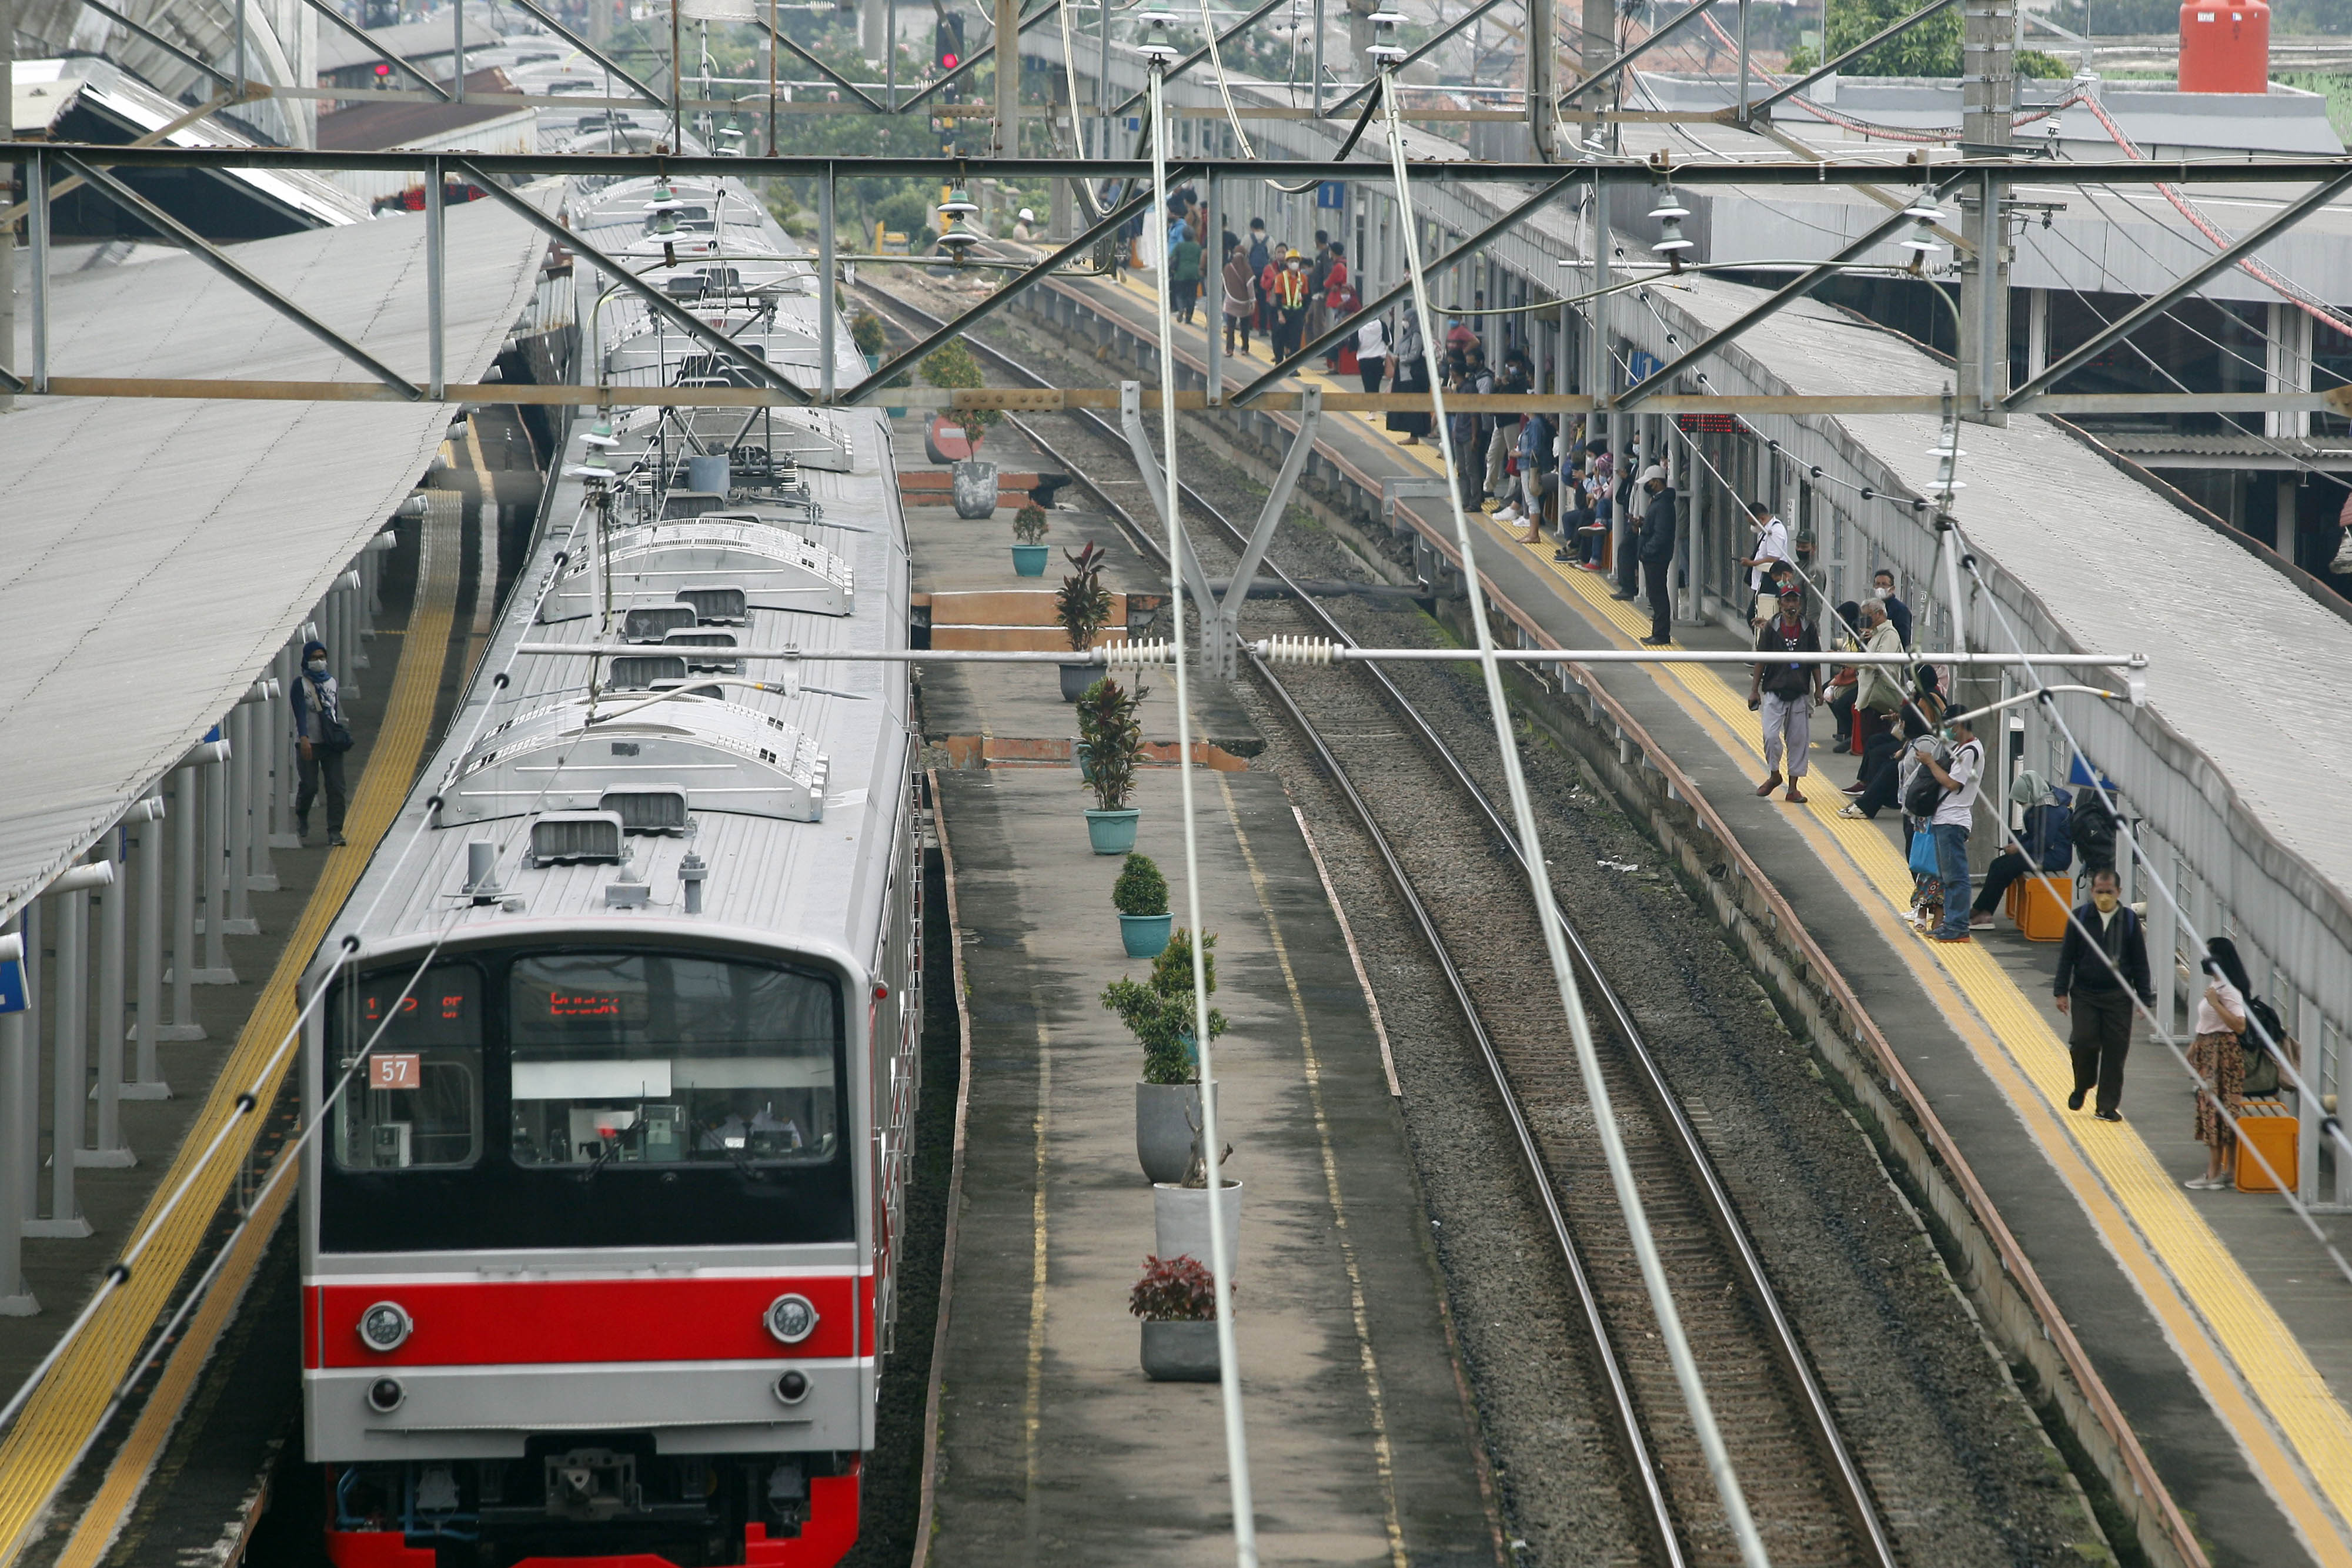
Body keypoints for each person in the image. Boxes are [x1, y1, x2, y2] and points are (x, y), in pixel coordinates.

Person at [2052, 868, 2153, 1122]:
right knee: (2083, 1041)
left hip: (2118, 996)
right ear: (2092, 891)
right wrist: (2061, 992)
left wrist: (2144, 998)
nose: (2105, 897)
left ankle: (2106, 1106)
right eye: (2100, 892)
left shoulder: (2129, 922)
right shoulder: (2080, 918)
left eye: (2110, 892)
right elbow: (2067, 958)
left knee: (2116, 1051)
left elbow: (2140, 963)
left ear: (2119, 892)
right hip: (2085, 993)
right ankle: (2083, 1083)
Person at [2184, 937, 2253, 1188]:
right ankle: (2228, 1171)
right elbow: (2210, 1022)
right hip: (2210, 1051)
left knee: (2215, 1110)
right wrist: (2196, 1043)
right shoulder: (2220, 987)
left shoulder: (2229, 991)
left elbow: (2240, 1025)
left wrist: (2215, 1004)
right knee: (2217, 1111)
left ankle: (2214, 1172)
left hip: (2223, 1056)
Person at [1748, 587, 1823, 803]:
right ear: (1780, 604)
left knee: (1798, 740)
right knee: (1771, 736)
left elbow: (1814, 661)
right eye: (1787, 601)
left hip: (1799, 692)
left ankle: (1793, 789)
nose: (1791, 605)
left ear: (1799, 604)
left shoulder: (1808, 628)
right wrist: (1755, 690)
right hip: (1774, 690)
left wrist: (1818, 688)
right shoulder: (1772, 627)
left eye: (1794, 601)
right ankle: (1774, 775)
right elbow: (1761, 659)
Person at [1968, 778, 2073, 927]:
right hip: (2045, 854)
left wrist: (2019, 848)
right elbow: (2033, 835)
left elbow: (2044, 841)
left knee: (2005, 866)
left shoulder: (2050, 809)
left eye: (2022, 802)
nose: (2022, 805)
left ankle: (1982, 911)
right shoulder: (2041, 804)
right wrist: (2016, 844)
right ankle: (1984, 911)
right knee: (1998, 864)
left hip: (2055, 857)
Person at [1923, 711, 1984, 943]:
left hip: (1953, 820)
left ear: (1959, 724)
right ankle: (1950, 923)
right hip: (1945, 818)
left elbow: (1952, 783)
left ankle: (1958, 927)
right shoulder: (1962, 747)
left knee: (1956, 876)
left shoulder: (1970, 752)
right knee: (1947, 876)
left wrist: (1930, 763)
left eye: (1949, 725)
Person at [292, 638, 351, 847]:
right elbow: (300, 713)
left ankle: (335, 831)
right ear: (306, 660)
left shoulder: (331, 682)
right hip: (308, 744)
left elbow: (333, 712)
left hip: (330, 744)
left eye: (322, 658)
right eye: (314, 658)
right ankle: (302, 815)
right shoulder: (300, 685)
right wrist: (305, 738)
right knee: (309, 786)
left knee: (336, 787)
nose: (319, 662)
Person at [1635, 464, 1676, 646]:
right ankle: (1659, 632)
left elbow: (1661, 534)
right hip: (1655, 556)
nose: (1647, 486)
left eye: (1649, 482)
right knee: (1656, 593)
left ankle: (1661, 634)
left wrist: (1646, 551)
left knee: (1658, 594)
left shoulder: (1663, 505)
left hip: (1656, 557)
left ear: (1657, 483)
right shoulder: (1660, 502)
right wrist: (1644, 524)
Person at [1823, 599, 1862, 753]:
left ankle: (1848, 733)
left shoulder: (1859, 634)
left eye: (1842, 618)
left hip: (1857, 678)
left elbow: (1857, 659)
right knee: (1825, 690)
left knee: (1841, 703)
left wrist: (1840, 658)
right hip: (1849, 674)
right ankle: (1843, 731)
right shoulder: (1851, 635)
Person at [1387, 307, 1429, 444]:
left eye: (1406, 319)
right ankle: (1412, 434)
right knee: (1407, 404)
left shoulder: (1417, 335)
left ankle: (1414, 435)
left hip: (1412, 376)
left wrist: (1400, 359)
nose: (1404, 322)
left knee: (1413, 405)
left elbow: (1414, 355)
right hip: (1404, 375)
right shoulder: (1408, 335)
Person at [1271, 252, 1310, 359]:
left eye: (1296, 261)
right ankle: (1278, 362)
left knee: (1295, 341)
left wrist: (1304, 313)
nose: (1294, 264)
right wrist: (1280, 315)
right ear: (1287, 263)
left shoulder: (1303, 278)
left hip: (1297, 313)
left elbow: (1307, 296)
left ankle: (1293, 367)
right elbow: (1278, 297)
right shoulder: (1280, 277)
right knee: (1279, 338)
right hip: (1284, 311)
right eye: (1292, 261)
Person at [1222, 239, 1256, 355]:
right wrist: (1253, 301)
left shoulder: (1227, 267)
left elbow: (1224, 284)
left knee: (1230, 327)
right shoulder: (1247, 268)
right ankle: (1245, 349)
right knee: (1245, 327)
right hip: (1244, 304)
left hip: (1231, 301)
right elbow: (1250, 286)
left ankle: (1229, 349)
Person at [1167, 226, 1203, 324]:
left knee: (1179, 294)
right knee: (1192, 295)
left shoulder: (1179, 246)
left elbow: (1172, 257)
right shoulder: (1197, 246)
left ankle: (1181, 309)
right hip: (1194, 274)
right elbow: (1201, 259)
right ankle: (1189, 317)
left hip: (1180, 273)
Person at [1871, 567, 1913, 648]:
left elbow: (1903, 639)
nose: (1880, 588)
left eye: (1884, 584)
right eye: (1878, 584)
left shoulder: (1901, 610)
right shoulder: (1872, 608)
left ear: (1892, 589)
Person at [1353, 309, 1388, 393]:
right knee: (1376, 386)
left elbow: (1354, 345)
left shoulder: (1359, 326)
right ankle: (1376, 404)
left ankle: (1369, 404)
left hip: (1364, 360)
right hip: (1379, 360)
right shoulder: (1382, 325)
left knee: (1368, 387)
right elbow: (1388, 341)